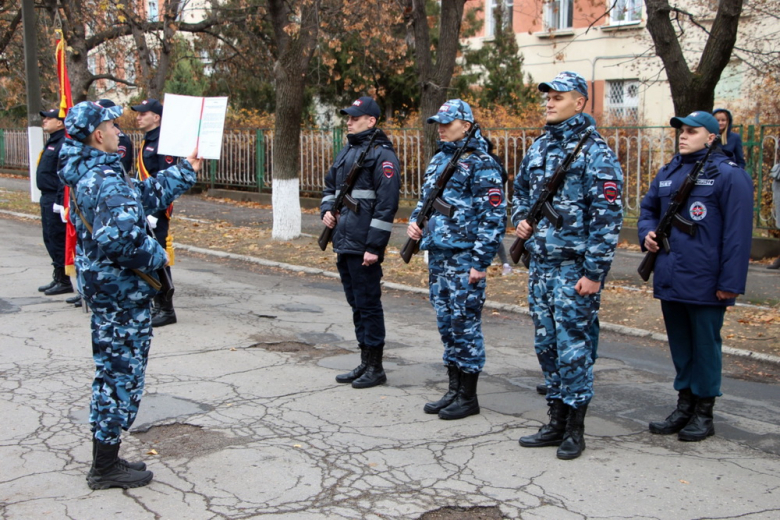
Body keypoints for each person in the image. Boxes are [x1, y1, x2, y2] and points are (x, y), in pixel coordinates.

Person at [58, 100, 200, 489]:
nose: (119, 131)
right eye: (112, 125)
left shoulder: (95, 171)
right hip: (119, 294)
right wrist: (157, 257)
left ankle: (108, 458)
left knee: (115, 373)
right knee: (119, 376)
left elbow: (141, 196)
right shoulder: (101, 178)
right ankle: (104, 467)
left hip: (110, 291)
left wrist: (185, 170)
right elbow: (120, 238)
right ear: (97, 134)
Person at [513, 71, 623, 459]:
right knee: (546, 344)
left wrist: (594, 274)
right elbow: (521, 191)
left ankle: (575, 429)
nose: (549, 102)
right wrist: (521, 219)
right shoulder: (540, 147)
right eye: (547, 97)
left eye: (558, 97)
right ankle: (555, 420)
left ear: (580, 102)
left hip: (574, 269)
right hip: (541, 266)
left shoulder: (595, 152)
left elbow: (608, 219)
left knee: (573, 347)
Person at [638, 111, 752, 442]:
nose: (683, 136)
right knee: (681, 346)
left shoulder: (729, 175)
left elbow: (738, 236)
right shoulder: (669, 171)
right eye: (681, 131)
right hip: (671, 276)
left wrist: (729, 285)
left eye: (692, 131)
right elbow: (648, 211)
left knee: (705, 346)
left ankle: (704, 411)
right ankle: (684, 404)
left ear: (712, 137)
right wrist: (646, 234)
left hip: (706, 280)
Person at [407, 99, 507, 420]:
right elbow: (426, 201)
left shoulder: (482, 163)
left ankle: (469, 396)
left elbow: (493, 218)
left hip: (465, 258)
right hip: (439, 256)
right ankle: (453, 390)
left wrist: (480, 263)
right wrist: (415, 223)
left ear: (466, 125)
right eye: (438, 123)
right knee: (446, 324)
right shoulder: (439, 160)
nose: (441, 128)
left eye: (447, 123)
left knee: (465, 325)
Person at [321, 96, 401, 389]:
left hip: (364, 244)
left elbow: (386, 206)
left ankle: (376, 366)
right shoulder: (347, 151)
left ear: (371, 121)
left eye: (355, 118)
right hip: (344, 239)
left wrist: (374, 248)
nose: (349, 122)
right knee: (356, 304)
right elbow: (330, 186)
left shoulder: (383, 156)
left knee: (368, 305)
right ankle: (365, 361)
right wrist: (326, 211)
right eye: (348, 118)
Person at [131, 99, 178, 327]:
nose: (138, 117)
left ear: (156, 117)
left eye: (143, 114)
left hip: (156, 212)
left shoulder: (164, 142)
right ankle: (155, 303)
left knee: (158, 257)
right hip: (144, 208)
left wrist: (157, 212)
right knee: (147, 256)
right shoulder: (148, 140)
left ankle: (166, 308)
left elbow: (167, 181)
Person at [36, 108, 73, 296]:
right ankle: (58, 276)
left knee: (56, 236)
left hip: (54, 197)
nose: (45, 121)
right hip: (46, 195)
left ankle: (63, 279)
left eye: (49, 118)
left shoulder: (63, 142)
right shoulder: (53, 141)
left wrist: (60, 200)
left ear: (60, 122)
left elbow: (62, 175)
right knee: (49, 237)